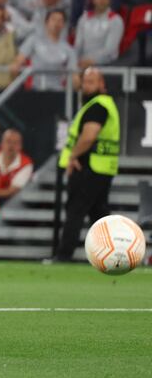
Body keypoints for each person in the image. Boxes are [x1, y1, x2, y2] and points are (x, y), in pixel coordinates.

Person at [54, 67, 119, 262]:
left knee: (75, 211)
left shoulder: (97, 106)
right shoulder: (103, 104)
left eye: (92, 81)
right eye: (85, 81)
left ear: (102, 84)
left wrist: (73, 156)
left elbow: (89, 136)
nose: (86, 85)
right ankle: (114, 255)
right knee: (99, 214)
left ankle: (64, 256)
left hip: (88, 167)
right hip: (102, 167)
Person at [12, 10, 78, 91]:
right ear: (46, 22)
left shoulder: (69, 49)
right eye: (53, 19)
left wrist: (77, 82)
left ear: (63, 25)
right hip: (36, 90)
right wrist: (16, 66)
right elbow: (18, 61)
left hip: (58, 92)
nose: (56, 23)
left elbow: (74, 74)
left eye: (60, 20)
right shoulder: (34, 40)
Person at [73, 0, 125, 68]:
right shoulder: (84, 18)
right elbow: (78, 45)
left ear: (110, 0)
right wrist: (74, 63)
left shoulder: (116, 20)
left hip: (106, 66)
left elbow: (110, 50)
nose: (102, 0)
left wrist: (91, 60)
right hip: (82, 64)